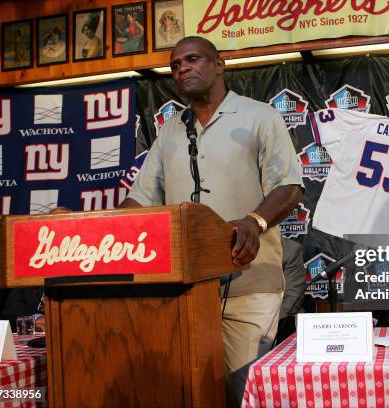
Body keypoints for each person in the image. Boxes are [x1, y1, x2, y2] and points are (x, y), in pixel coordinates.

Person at [120, 36, 303, 406]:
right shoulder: (169, 131)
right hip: (184, 291)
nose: (183, 68)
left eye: (193, 59)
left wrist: (254, 221)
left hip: (248, 286)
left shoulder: (259, 117)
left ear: (219, 65)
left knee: (242, 394)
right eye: (175, 65)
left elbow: (289, 186)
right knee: (190, 394)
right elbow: (138, 200)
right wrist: (102, 228)